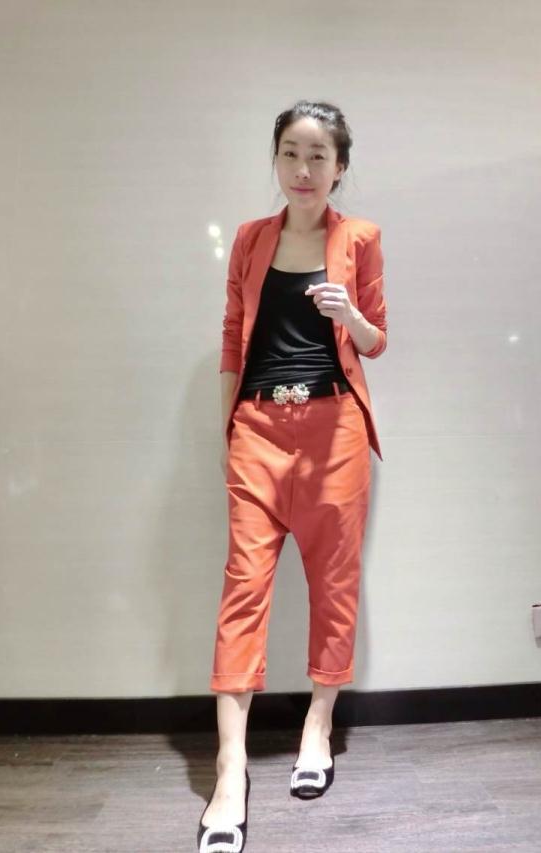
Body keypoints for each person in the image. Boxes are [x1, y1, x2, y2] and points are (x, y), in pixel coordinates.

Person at [197, 99, 387, 853]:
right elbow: (230, 337)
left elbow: (377, 338)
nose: (302, 169)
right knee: (242, 588)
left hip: (334, 431)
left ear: (340, 167)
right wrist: (227, 430)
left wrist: (349, 317)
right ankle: (230, 769)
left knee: (334, 582)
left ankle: (318, 726)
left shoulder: (359, 238)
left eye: (318, 156)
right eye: (290, 153)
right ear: (275, 160)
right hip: (258, 429)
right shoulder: (250, 238)